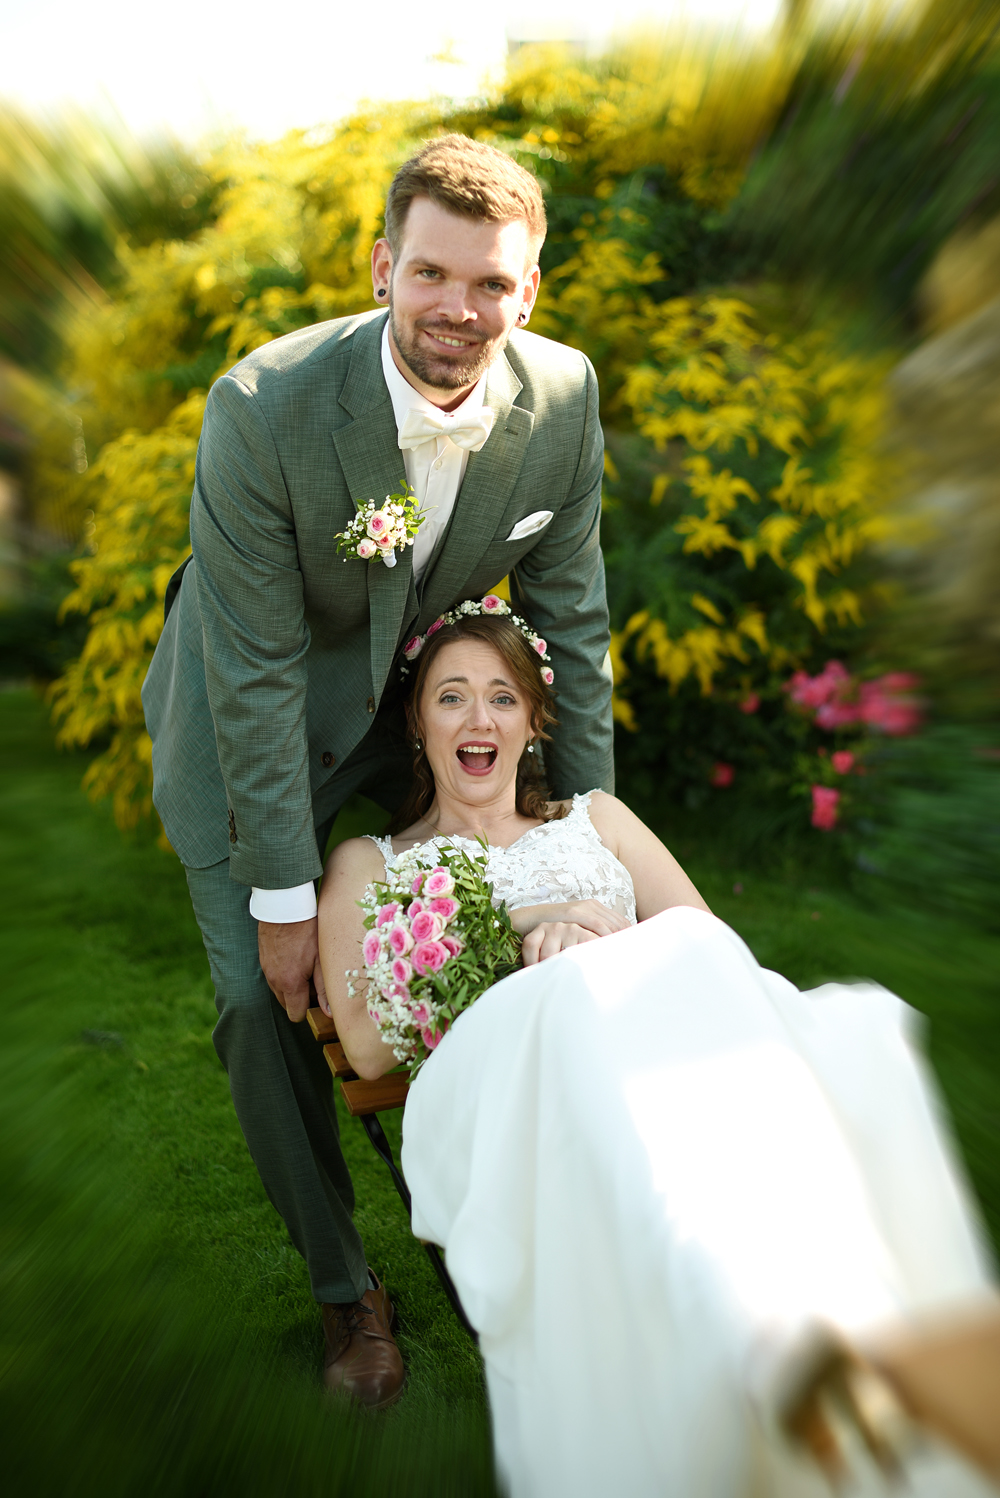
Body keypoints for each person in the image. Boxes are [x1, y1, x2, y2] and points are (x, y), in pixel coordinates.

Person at [319, 605, 1000, 1497]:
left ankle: (808, 1327)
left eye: (502, 698)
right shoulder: (372, 865)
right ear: (417, 720)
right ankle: (788, 1348)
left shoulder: (596, 820)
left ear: (534, 722)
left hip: (652, 1049)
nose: (479, 719)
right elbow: (367, 1048)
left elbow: (707, 948)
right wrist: (533, 927)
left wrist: (596, 942)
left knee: (742, 1025)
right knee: (578, 1009)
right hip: (509, 1086)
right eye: (452, 697)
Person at [141, 135, 614, 1409]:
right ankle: (347, 1288)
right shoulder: (263, 408)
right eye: (430, 274)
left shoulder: (563, 397)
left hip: (403, 717)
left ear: (529, 289)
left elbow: (572, 624)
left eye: (492, 283)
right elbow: (253, 671)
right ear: (380, 267)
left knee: (514, 935)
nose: (460, 308)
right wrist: (283, 897)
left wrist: (585, 836)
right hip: (244, 722)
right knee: (260, 1002)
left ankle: (505, 1227)